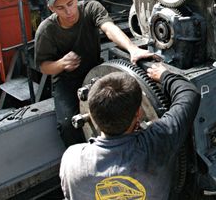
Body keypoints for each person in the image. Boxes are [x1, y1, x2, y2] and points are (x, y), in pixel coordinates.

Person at [34, 0, 154, 146]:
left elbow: (109, 28)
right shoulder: (46, 30)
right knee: (67, 125)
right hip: (66, 81)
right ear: (51, 8)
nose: (68, 11)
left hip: (96, 71)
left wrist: (132, 48)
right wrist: (62, 63)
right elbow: (44, 66)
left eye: (70, 3)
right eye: (61, 8)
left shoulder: (91, 8)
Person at [59, 63, 201, 200]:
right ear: (138, 113)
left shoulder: (71, 160)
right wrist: (164, 76)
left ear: (92, 115)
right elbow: (189, 94)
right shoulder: (156, 144)